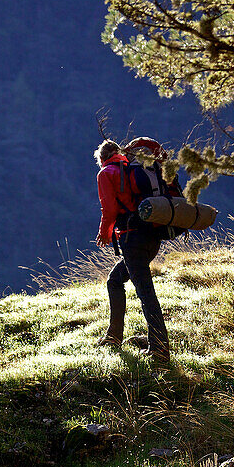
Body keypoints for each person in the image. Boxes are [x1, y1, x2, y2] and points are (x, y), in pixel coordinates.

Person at [95, 136, 173, 364]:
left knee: (146, 293)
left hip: (132, 239)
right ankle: (113, 336)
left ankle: (159, 350)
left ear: (102, 158)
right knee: (115, 280)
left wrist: (105, 232)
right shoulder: (133, 165)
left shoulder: (106, 173)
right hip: (153, 235)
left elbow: (109, 209)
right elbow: (159, 151)